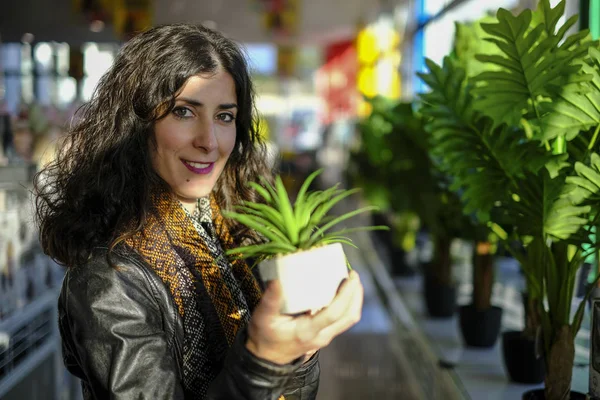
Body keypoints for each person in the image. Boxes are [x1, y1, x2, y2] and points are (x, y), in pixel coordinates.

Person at [34, 24, 364, 400]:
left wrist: (298, 351)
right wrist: (264, 360)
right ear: (137, 125)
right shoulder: (108, 280)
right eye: (184, 112)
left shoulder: (235, 231)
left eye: (224, 116)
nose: (209, 141)